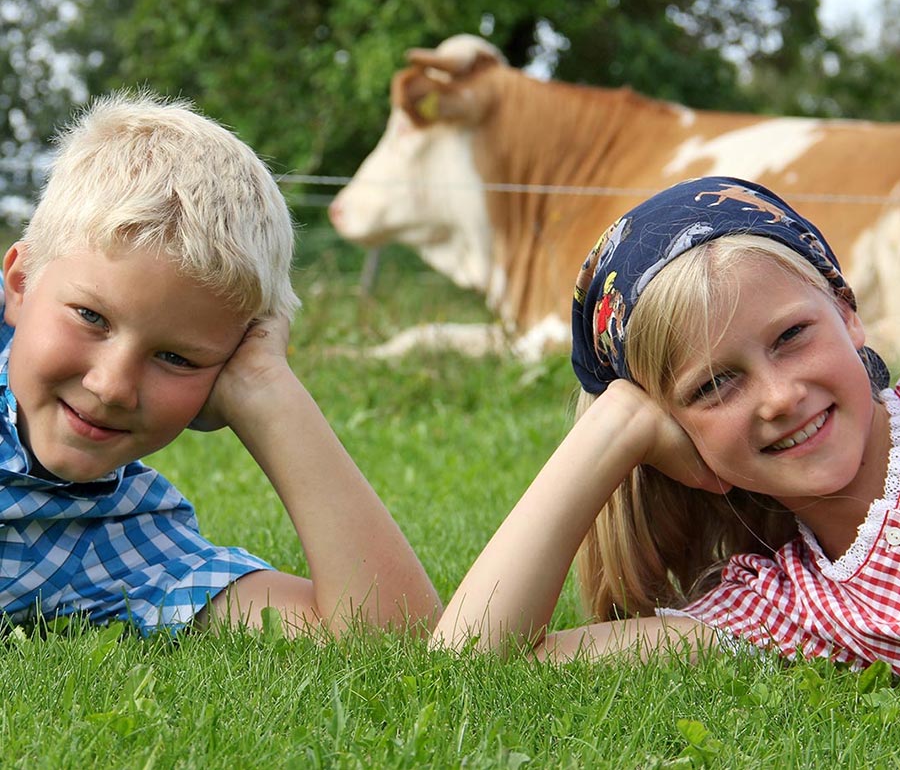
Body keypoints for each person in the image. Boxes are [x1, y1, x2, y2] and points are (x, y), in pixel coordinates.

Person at [0, 91, 439, 637]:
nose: (112, 386)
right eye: (92, 317)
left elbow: (395, 632)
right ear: (20, 285)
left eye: (175, 357)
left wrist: (265, 389)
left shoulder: (124, 539)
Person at [432, 175, 900, 672]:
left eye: (791, 336)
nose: (780, 398)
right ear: (677, 434)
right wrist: (616, 424)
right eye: (713, 385)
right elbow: (472, 659)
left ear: (846, 310)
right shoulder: (784, 609)